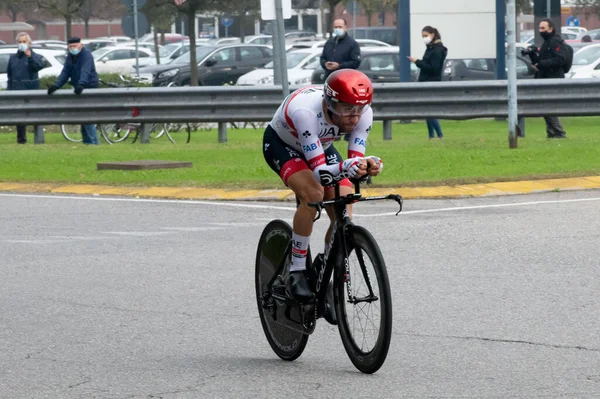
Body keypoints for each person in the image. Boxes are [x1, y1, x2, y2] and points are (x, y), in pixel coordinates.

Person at [262, 69, 383, 302]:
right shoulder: (306, 112)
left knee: (345, 202)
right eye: (347, 109)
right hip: (283, 144)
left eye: (359, 109)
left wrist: (367, 166)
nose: (354, 117)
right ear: (330, 103)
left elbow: (354, 160)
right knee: (314, 194)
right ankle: (296, 269)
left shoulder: (363, 114)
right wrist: (347, 167)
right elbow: (319, 173)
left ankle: (324, 270)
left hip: (321, 144)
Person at [47, 37, 100, 145]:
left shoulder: (87, 55)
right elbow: (65, 72)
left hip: (89, 87)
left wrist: (81, 84)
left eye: (74, 46)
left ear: (80, 45)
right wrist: (56, 86)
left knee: (87, 117)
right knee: (83, 117)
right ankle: (87, 141)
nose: (72, 48)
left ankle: (93, 142)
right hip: (79, 87)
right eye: (70, 47)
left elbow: (86, 70)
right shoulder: (70, 57)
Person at [530, 18, 567, 139]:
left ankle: (558, 132)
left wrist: (541, 64)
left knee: (548, 106)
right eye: (539, 28)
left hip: (553, 79)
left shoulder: (555, 42)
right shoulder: (546, 43)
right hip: (544, 78)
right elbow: (540, 62)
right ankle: (552, 132)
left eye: (543, 28)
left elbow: (560, 59)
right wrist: (532, 54)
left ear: (550, 29)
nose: (540, 31)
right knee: (545, 106)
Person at [408, 26, 448, 140]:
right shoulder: (430, 48)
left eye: (426, 36)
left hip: (432, 82)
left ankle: (439, 135)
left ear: (432, 34)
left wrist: (417, 62)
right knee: (427, 111)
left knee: (430, 111)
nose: (424, 38)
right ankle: (431, 136)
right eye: (423, 36)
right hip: (425, 82)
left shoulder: (438, 50)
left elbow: (433, 69)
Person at [7, 33, 46, 144]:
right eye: (20, 42)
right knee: (19, 118)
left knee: (34, 115)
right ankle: (21, 140)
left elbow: (37, 67)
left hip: (31, 91)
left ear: (29, 43)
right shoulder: (13, 58)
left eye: (24, 42)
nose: (22, 44)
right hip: (17, 91)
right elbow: (10, 76)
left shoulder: (36, 56)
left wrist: (30, 57)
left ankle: (38, 138)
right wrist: (9, 92)